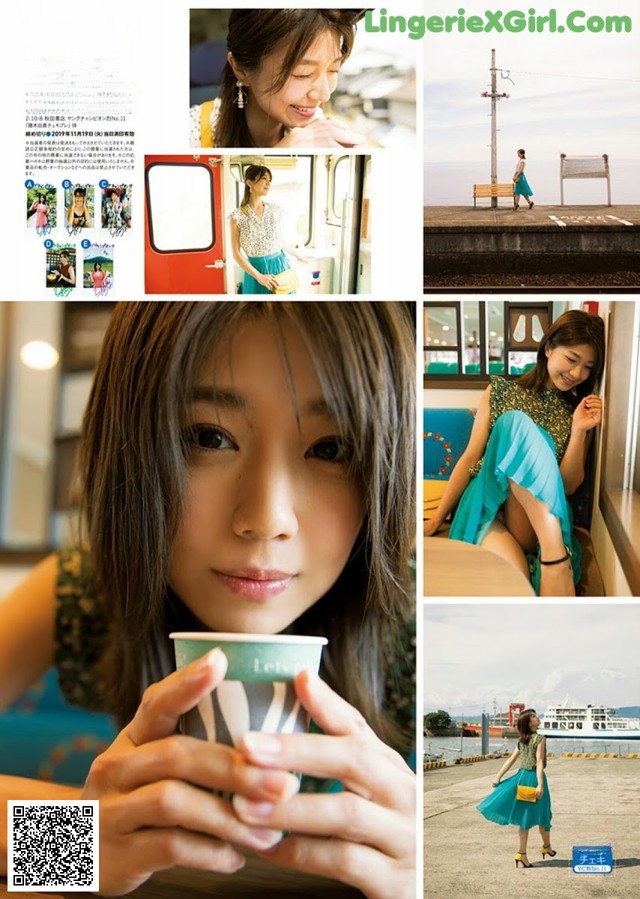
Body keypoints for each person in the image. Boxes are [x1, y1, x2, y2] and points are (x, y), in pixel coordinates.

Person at [0, 301, 416, 898]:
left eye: (331, 449)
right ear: (131, 447)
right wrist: (75, 847)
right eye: (208, 436)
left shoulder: (417, 620)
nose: (267, 519)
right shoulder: (89, 586)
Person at [424, 310, 605, 596]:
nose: (577, 374)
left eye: (587, 367)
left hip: (538, 522)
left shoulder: (579, 411)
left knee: (515, 423)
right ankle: (553, 562)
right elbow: (471, 458)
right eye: (572, 359)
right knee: (516, 589)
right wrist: (436, 519)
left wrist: (580, 430)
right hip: (490, 510)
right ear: (548, 348)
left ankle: (554, 554)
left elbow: (567, 485)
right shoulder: (499, 390)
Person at [190, 9, 365, 148]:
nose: (324, 94)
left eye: (333, 70)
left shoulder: (319, 127)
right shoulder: (189, 135)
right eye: (302, 73)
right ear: (241, 69)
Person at [477, 709, 555, 868]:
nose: (536, 717)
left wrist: (498, 776)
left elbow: (511, 760)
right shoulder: (540, 738)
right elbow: (539, 762)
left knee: (525, 819)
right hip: (534, 778)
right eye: (533, 716)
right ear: (528, 723)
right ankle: (543, 847)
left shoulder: (522, 740)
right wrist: (540, 784)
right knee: (543, 814)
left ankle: (525, 853)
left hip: (521, 778)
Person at [229, 164, 307, 294]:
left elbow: (280, 241)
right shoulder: (237, 217)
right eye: (264, 178)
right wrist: (259, 276)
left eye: (270, 180)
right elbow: (236, 254)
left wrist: (299, 255)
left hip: (279, 266)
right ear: (250, 183)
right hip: (255, 271)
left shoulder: (274, 210)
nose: (268, 183)